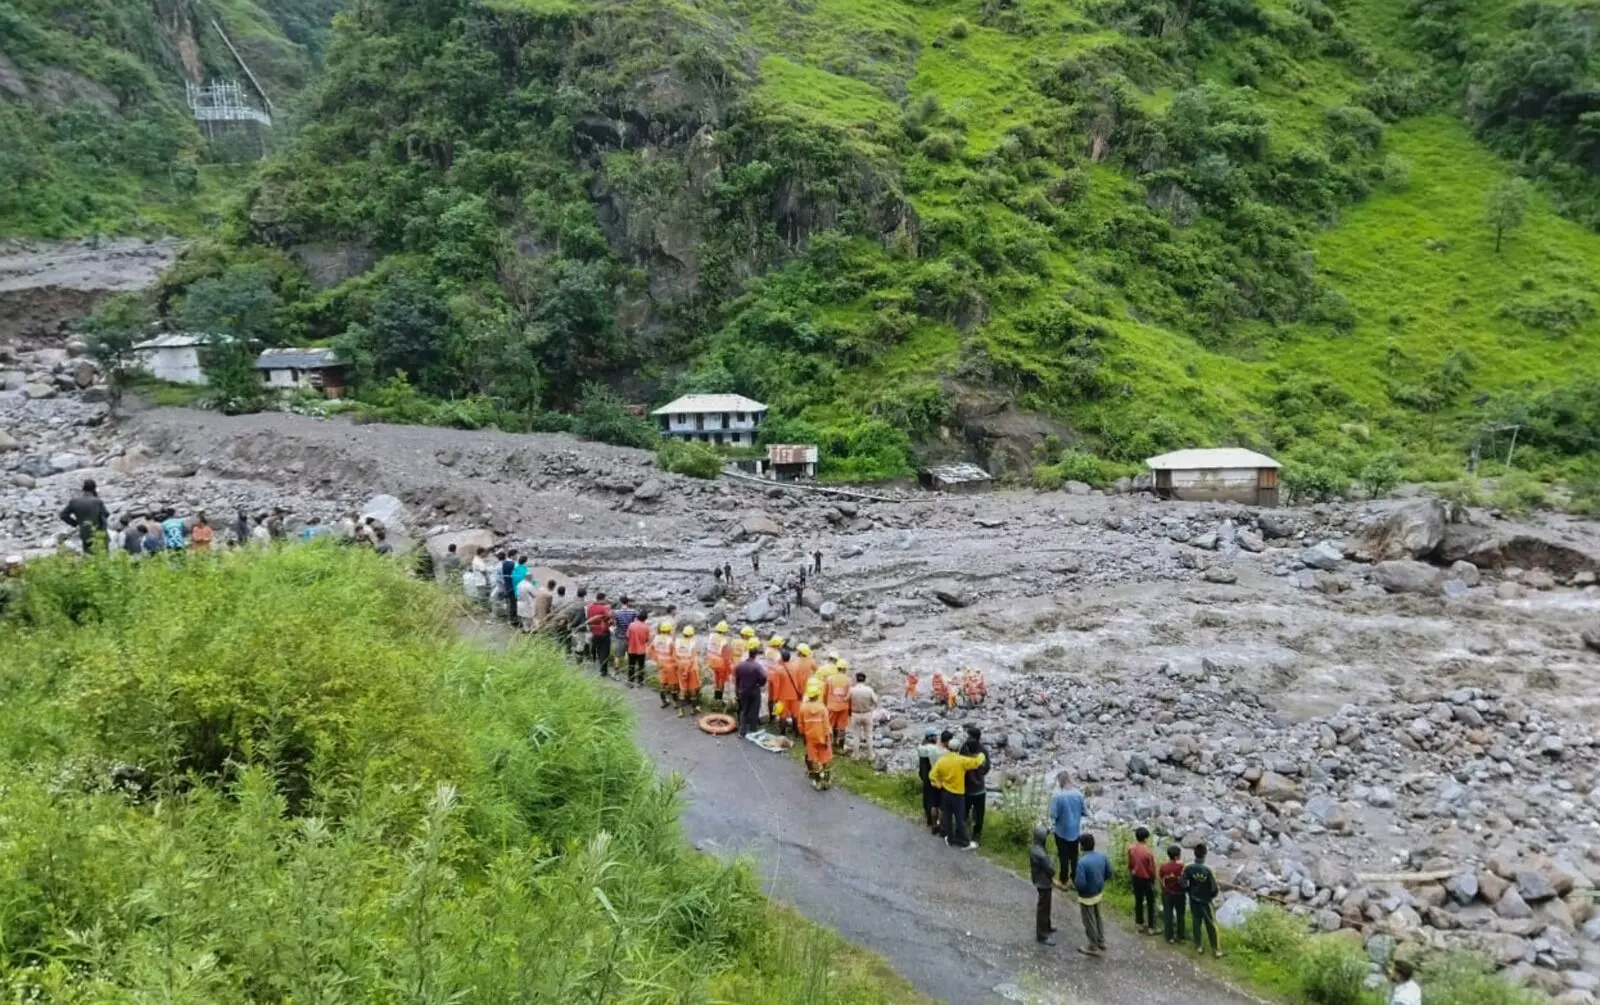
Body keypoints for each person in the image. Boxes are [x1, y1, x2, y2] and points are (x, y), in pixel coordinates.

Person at [930, 731, 985, 849]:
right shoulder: (961, 760)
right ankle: (965, 842)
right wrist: (982, 755)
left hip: (945, 792)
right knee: (960, 819)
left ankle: (950, 839)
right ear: (958, 748)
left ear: (948, 748)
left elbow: (932, 775)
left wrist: (939, 785)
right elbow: (975, 763)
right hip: (958, 794)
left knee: (947, 817)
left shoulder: (942, 760)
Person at [1074, 834, 1111, 957]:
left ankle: (1092, 945)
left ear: (1082, 846)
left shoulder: (1082, 862)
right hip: (1098, 893)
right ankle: (1101, 941)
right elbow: (1109, 874)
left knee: (1089, 920)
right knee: (1098, 916)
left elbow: (1080, 883)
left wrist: (1075, 887)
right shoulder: (1102, 857)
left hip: (1086, 896)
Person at [1049, 772, 1086, 890]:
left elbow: (1053, 815)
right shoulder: (1079, 794)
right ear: (1069, 779)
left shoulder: (1058, 796)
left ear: (1061, 781)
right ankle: (1074, 881)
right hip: (1075, 832)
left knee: (1063, 857)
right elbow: (1084, 812)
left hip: (1062, 832)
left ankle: (1063, 881)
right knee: (1074, 858)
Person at [1184, 842, 1223, 957]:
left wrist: (1189, 892)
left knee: (1196, 922)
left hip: (1193, 900)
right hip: (1205, 901)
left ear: (1194, 854)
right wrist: (1211, 897)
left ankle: (1198, 946)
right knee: (1211, 924)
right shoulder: (1208, 870)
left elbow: (1183, 882)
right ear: (1205, 855)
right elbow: (1214, 889)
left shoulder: (1189, 868)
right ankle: (1215, 949)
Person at [796, 680, 833, 790]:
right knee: (826, 758)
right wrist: (827, 737)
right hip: (823, 737)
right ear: (817, 695)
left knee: (814, 759)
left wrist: (803, 735)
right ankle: (826, 781)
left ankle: (818, 782)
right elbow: (826, 724)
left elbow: (800, 724)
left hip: (810, 738)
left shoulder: (803, 708)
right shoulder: (822, 708)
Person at [60, 479, 110, 553]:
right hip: (98, 533)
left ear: (83, 488)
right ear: (94, 488)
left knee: (88, 554)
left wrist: (75, 523)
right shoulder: (97, 501)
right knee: (102, 554)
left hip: (84, 533)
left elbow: (63, 515)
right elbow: (106, 514)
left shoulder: (74, 501)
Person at [961, 725, 990, 843]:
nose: (967, 738)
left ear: (976, 738)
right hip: (972, 788)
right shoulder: (981, 750)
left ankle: (973, 834)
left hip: (974, 789)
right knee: (970, 813)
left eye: (970, 736)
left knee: (975, 814)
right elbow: (987, 768)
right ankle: (968, 834)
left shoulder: (966, 748)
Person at [1030, 825, 1057, 946]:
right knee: (1043, 908)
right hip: (1044, 883)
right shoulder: (1041, 854)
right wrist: (1052, 860)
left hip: (1039, 880)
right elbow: (1051, 871)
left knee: (1046, 906)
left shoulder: (1034, 848)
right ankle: (1041, 935)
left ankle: (1047, 926)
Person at [733, 639, 766, 736]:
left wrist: (737, 690)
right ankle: (753, 729)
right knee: (754, 710)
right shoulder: (757, 666)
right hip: (754, 690)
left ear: (748, 653)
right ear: (755, 655)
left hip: (743, 690)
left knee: (744, 710)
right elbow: (764, 677)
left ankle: (742, 731)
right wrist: (760, 684)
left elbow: (737, 679)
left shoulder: (740, 665)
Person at [1129, 826, 1158, 936]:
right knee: (1151, 902)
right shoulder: (1148, 852)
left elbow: (1130, 864)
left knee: (1138, 901)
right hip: (1147, 879)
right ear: (1145, 838)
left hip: (1136, 878)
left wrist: (1132, 872)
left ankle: (1139, 924)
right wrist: (1153, 880)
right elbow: (1152, 869)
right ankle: (1151, 927)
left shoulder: (1131, 849)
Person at [916, 726, 943, 834]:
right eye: (935, 736)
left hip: (925, 777)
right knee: (934, 802)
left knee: (927, 798)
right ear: (930, 737)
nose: (937, 738)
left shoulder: (922, 747)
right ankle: (934, 823)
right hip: (932, 777)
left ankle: (929, 820)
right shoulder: (931, 749)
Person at [1159, 844, 1187, 945]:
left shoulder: (1163, 867)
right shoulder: (1182, 867)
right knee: (1180, 915)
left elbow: (1161, 879)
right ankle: (1180, 936)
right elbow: (1185, 880)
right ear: (1176, 857)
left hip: (1167, 894)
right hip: (1179, 894)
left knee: (1168, 915)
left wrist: (1163, 889)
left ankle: (1169, 937)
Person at [769, 648, 800, 734]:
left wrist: (775, 698)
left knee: (783, 715)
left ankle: (782, 733)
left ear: (782, 658)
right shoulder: (795, 667)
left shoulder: (778, 670)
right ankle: (796, 732)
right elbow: (798, 681)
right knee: (795, 714)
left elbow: (776, 686)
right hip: (794, 695)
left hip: (783, 696)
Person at [848, 672, 878, 758]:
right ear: (865, 680)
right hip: (867, 713)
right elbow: (875, 701)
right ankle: (870, 755)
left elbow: (846, 699)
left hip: (855, 714)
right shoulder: (869, 690)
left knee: (856, 736)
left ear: (856, 679)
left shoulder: (852, 690)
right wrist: (872, 708)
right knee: (869, 735)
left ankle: (856, 755)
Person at [824, 659, 852, 750]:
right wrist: (850, 709)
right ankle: (841, 747)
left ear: (837, 668)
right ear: (845, 669)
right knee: (842, 727)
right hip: (843, 706)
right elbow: (849, 696)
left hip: (831, 706)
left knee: (830, 725)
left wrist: (825, 704)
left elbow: (825, 693)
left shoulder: (829, 679)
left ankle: (829, 745)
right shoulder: (848, 680)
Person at [586, 591, 615, 676]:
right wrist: (611, 621)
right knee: (605, 652)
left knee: (598, 650)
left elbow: (588, 618)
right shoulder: (604, 608)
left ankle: (598, 665)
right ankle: (603, 671)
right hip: (603, 632)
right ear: (603, 599)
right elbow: (609, 618)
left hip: (594, 632)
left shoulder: (590, 607)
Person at [651, 621, 678, 709]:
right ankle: (675, 703)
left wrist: (656, 659)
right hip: (670, 665)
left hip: (661, 664)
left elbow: (650, 650)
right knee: (673, 685)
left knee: (662, 684)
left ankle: (664, 702)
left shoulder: (656, 638)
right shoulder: (671, 640)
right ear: (669, 630)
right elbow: (675, 654)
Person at [706, 621, 733, 705]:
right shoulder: (724, 641)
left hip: (711, 661)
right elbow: (726, 656)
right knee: (721, 682)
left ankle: (716, 697)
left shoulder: (711, 636)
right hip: (720, 664)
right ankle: (719, 700)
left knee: (716, 680)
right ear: (725, 631)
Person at [625, 608, 652, 687]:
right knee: (641, 666)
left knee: (631, 665)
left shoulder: (631, 625)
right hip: (641, 650)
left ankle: (630, 681)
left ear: (637, 617)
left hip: (631, 648)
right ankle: (640, 682)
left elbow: (627, 636)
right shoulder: (646, 627)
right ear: (645, 619)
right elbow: (647, 639)